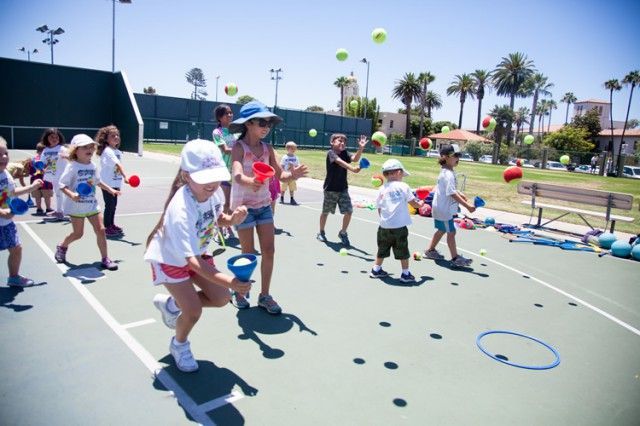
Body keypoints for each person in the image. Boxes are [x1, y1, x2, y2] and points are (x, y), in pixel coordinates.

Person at [145, 139, 250, 372]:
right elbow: (192, 262)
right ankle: (179, 344)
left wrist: (231, 220)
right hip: (171, 260)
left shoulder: (214, 194)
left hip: (197, 254)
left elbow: (216, 216)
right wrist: (231, 281)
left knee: (222, 299)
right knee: (193, 311)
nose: (212, 183)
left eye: (215, 175)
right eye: (204, 177)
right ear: (186, 175)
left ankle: (173, 306)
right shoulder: (180, 209)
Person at [228, 101, 308, 314]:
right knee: (248, 253)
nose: (266, 127)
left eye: (269, 123)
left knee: (269, 251)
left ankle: (264, 295)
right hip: (243, 208)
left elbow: (281, 174)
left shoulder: (267, 148)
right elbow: (235, 173)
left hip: (263, 206)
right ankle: (240, 291)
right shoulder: (239, 147)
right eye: (262, 122)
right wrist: (248, 180)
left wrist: (294, 174)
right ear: (248, 123)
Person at [53, 134, 119, 271]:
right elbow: (61, 185)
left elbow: (97, 181)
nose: (89, 149)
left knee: (101, 230)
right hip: (76, 206)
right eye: (84, 147)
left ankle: (105, 258)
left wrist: (110, 189)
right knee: (78, 234)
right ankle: (62, 246)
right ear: (76, 150)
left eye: (91, 146)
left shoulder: (93, 166)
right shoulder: (72, 167)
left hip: (91, 204)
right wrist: (71, 194)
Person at [0, 137, 44, 287]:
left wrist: (31, 187)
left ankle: (13, 277)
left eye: (5, 153)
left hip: (6, 222)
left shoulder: (6, 174)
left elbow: (12, 192)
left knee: (16, 248)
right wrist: (2, 212)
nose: (4, 157)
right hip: (4, 216)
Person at [370, 159, 423, 282]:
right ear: (398, 172)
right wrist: (420, 204)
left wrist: (384, 220)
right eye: (402, 175)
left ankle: (376, 269)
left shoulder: (382, 189)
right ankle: (405, 274)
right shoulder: (404, 186)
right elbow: (413, 203)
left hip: (384, 226)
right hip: (399, 227)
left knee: (382, 248)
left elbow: (379, 208)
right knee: (402, 249)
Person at [423, 143, 475, 267]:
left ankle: (430, 251)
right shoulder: (448, 174)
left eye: (458, 155)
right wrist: (467, 206)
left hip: (441, 207)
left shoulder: (447, 172)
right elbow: (450, 192)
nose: (457, 158)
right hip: (444, 209)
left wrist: (459, 193)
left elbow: (448, 189)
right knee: (451, 232)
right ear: (445, 157)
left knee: (441, 230)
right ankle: (455, 258)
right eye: (454, 155)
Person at [317, 133, 367, 247]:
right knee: (325, 212)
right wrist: (355, 169)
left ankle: (343, 233)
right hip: (330, 189)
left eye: (344, 141)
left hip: (343, 188)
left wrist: (361, 148)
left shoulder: (345, 153)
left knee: (349, 211)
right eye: (339, 140)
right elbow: (342, 163)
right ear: (332, 142)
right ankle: (321, 232)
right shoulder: (331, 153)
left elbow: (355, 159)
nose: (342, 143)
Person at [96, 125, 129, 237]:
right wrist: (125, 176)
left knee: (113, 205)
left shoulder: (117, 151)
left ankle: (111, 224)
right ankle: (106, 227)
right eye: (112, 136)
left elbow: (117, 167)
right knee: (109, 205)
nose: (116, 137)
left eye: (117, 135)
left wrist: (120, 180)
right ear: (106, 139)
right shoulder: (108, 151)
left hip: (115, 183)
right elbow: (118, 164)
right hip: (107, 183)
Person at [212, 104, 237, 241]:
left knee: (233, 203)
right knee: (226, 202)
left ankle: (227, 225)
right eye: (227, 113)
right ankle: (220, 228)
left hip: (236, 171)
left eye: (231, 112)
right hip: (223, 171)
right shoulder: (218, 132)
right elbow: (226, 149)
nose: (230, 115)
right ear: (220, 117)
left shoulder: (236, 131)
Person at [40, 128, 68, 220]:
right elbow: (43, 162)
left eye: (56, 137)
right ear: (46, 138)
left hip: (61, 175)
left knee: (62, 193)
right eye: (52, 137)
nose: (54, 139)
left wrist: (66, 156)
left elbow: (72, 156)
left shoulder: (62, 148)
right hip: (53, 175)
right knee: (58, 193)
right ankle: (60, 210)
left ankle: (61, 212)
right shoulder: (45, 150)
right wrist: (42, 168)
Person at [23, 143, 52, 215]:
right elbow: (43, 171)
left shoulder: (32, 160)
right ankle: (48, 208)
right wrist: (49, 165)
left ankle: (39, 209)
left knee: (37, 197)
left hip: (34, 181)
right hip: (45, 181)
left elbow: (30, 171)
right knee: (47, 196)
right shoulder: (45, 159)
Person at [280, 141, 301, 205]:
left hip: (292, 176)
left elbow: (297, 166)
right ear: (287, 149)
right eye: (292, 148)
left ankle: (292, 199)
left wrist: (297, 173)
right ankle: (282, 197)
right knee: (283, 188)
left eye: (295, 148)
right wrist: (283, 173)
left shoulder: (296, 157)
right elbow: (282, 166)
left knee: (292, 188)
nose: (294, 150)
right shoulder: (285, 157)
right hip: (286, 175)